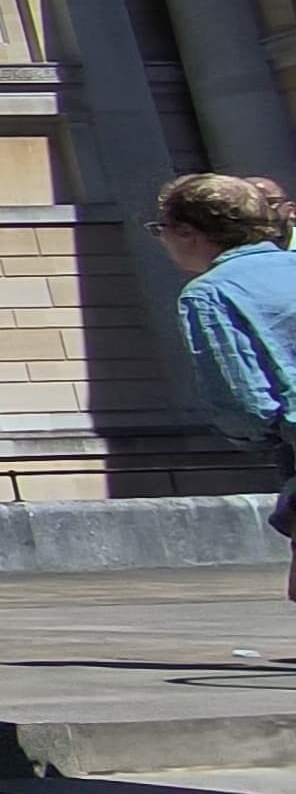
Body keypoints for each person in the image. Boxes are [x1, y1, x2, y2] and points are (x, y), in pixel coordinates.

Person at [154, 172, 296, 561]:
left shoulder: (209, 293)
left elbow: (243, 403)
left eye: (161, 229)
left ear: (188, 232)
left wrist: (263, 440)